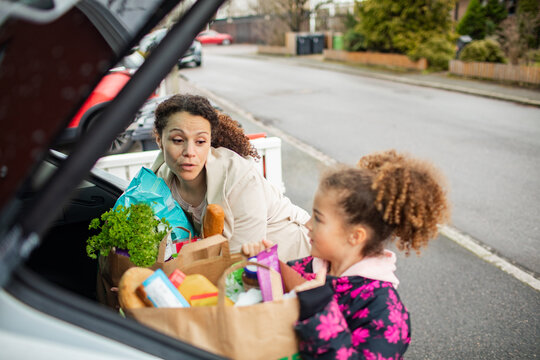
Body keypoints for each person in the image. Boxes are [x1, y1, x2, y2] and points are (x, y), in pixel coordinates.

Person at [243, 150, 450, 359]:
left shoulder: (385, 311)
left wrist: (318, 309)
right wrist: (261, 267)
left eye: (318, 219)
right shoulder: (308, 267)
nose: (308, 225)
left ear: (355, 236)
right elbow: (266, 303)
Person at [151, 93, 311, 261]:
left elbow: (240, 260)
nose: (189, 152)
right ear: (159, 140)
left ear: (210, 142)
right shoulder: (158, 181)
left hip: (295, 258)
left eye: (200, 142)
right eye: (178, 140)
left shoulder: (241, 180)